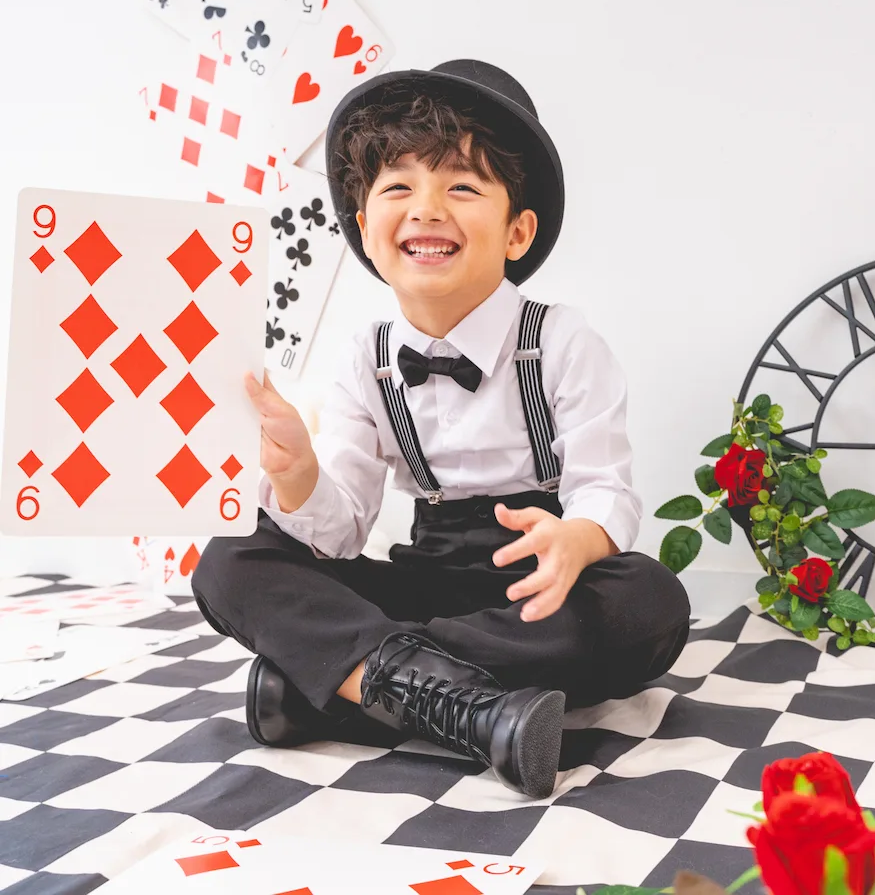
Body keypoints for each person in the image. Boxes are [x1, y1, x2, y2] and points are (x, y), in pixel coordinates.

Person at [191, 60, 691, 799]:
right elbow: (341, 532)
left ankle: (331, 687)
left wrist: (577, 540)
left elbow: (605, 490)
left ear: (518, 231)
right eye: (398, 188)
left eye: (461, 187)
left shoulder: (562, 341)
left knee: (650, 601)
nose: (426, 209)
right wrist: (297, 475)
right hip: (424, 581)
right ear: (366, 230)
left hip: (535, 587)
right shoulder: (364, 358)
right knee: (230, 558)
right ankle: (472, 709)